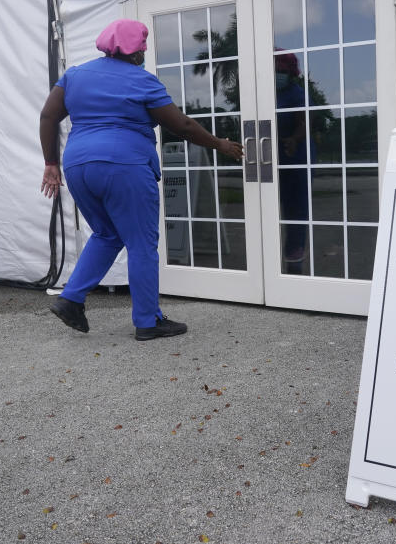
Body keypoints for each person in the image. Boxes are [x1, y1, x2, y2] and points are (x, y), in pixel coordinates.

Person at [39, 18, 243, 340]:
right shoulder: (142, 82)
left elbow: (49, 115)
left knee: (106, 233)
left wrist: (50, 163)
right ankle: (148, 321)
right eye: (143, 49)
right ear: (137, 52)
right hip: (125, 165)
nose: (143, 55)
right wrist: (220, 144)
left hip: (78, 165)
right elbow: (183, 126)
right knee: (141, 243)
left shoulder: (74, 76)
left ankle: (71, 299)